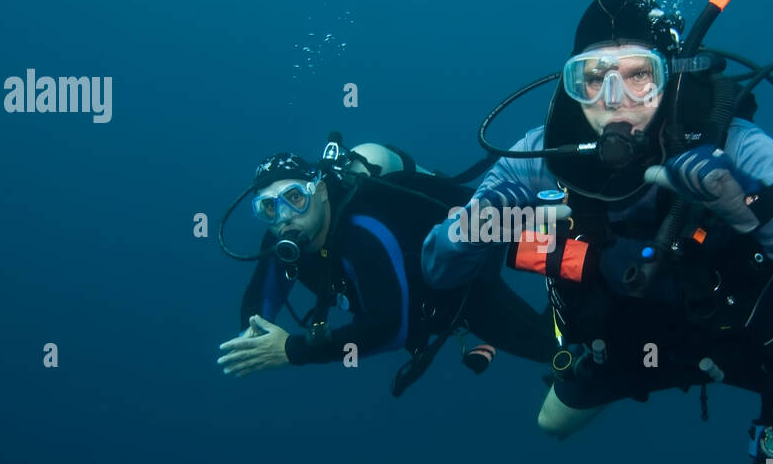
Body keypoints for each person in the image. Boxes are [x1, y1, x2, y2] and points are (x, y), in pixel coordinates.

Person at [421, 0, 773, 464]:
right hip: (622, 343)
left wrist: (756, 209)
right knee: (550, 423)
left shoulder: (736, 147)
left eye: (640, 75)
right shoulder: (538, 159)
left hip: (744, 336)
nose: (615, 99)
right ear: (573, 83)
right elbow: (437, 267)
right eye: (593, 77)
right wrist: (468, 229)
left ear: (671, 75)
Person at [217, 137, 556, 394]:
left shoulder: (362, 233)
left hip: (460, 280)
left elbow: (392, 329)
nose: (284, 218)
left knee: (550, 346)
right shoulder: (282, 242)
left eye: (294, 198)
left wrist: (292, 350)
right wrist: (253, 334)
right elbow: (260, 303)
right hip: (430, 291)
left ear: (320, 191)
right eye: (268, 209)